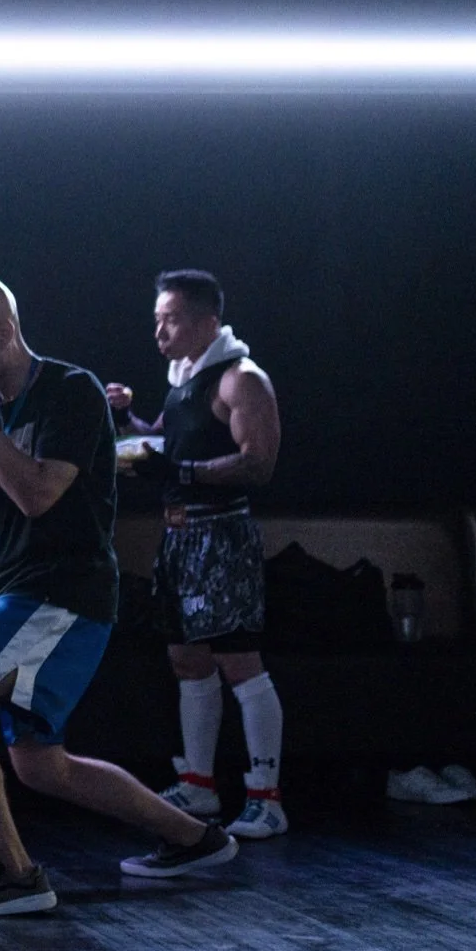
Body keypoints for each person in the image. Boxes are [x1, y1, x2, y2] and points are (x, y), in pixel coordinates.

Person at [0, 275, 238, 917]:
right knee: (41, 765)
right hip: (20, 592)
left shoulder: (70, 391)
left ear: (5, 333)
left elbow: (37, 494)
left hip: (61, 595)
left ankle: (14, 875)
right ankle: (195, 839)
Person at [106, 270, 286, 839]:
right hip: (180, 537)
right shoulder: (185, 378)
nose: (159, 332)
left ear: (207, 323)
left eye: (172, 319)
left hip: (223, 536)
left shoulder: (241, 380)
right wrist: (125, 423)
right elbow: (163, 443)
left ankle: (267, 797)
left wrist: (177, 470)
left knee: (239, 662)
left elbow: (259, 463)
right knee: (187, 660)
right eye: (157, 320)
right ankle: (201, 787)